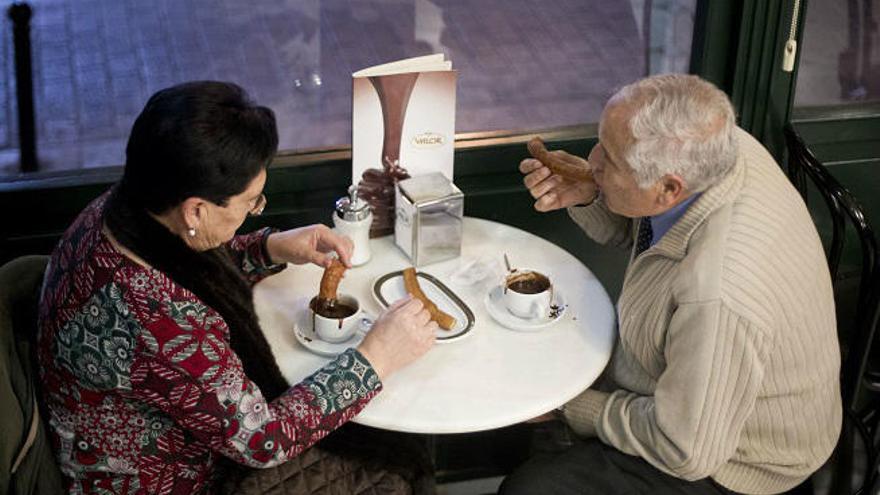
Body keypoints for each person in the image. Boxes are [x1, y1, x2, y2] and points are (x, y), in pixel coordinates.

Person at [36, 81, 438, 494]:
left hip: (140, 435)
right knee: (398, 466)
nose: (253, 212)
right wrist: (374, 359)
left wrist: (269, 248)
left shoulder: (118, 211)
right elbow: (262, 440)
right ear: (196, 209)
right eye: (251, 202)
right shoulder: (158, 320)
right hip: (171, 480)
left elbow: (189, 262)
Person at [500, 74, 841, 495]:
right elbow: (657, 238)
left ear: (667, 187)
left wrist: (571, 405)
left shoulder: (718, 292)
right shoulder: (718, 149)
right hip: (691, 391)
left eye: (610, 158)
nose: (592, 160)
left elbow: (686, 449)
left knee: (530, 489)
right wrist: (595, 193)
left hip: (737, 463)